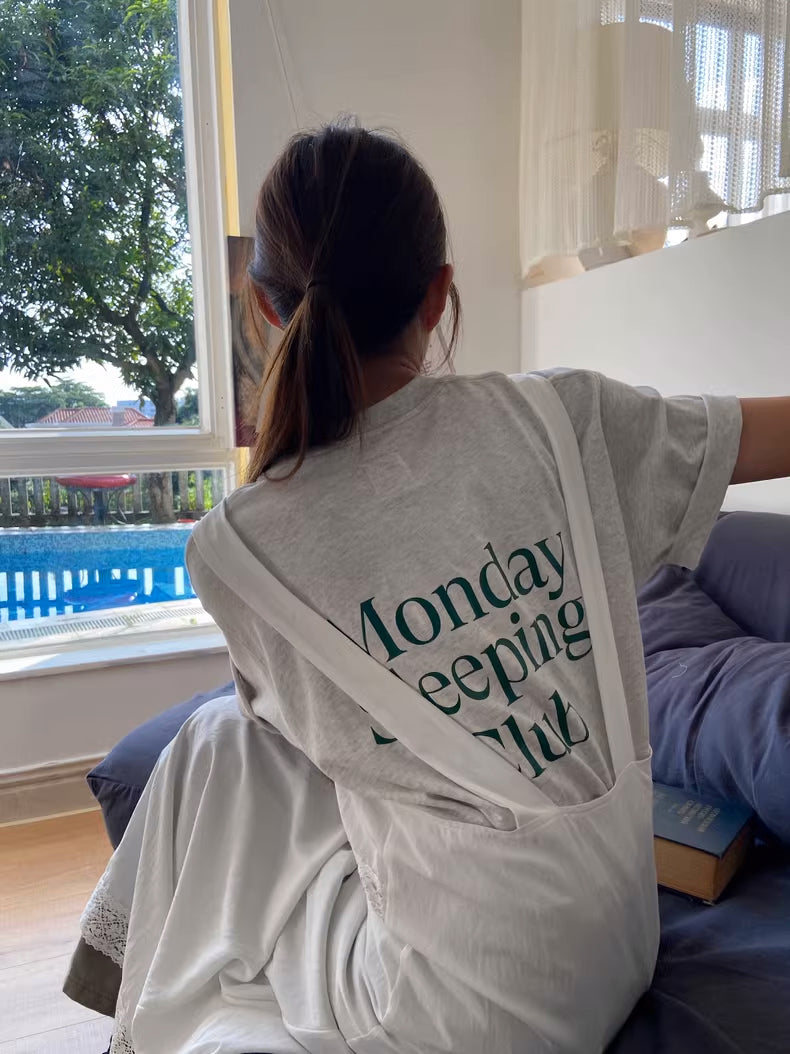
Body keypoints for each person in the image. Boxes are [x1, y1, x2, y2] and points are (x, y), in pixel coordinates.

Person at [65, 121, 789, 1054]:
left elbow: (300, 744)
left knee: (224, 751)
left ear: (266, 308)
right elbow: (764, 434)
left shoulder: (233, 551)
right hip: (616, 938)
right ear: (440, 293)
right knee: (219, 737)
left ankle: (123, 983)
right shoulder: (560, 418)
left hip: (456, 1008)